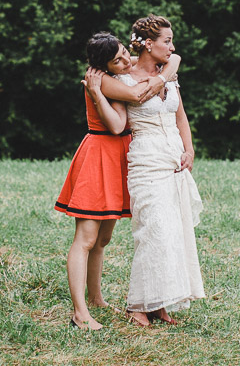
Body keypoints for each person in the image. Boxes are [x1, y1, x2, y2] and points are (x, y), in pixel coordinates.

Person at [55, 32, 181, 330]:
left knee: (103, 239)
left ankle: (96, 298)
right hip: (100, 155)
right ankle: (80, 312)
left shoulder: (121, 69)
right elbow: (119, 122)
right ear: (103, 66)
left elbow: (171, 59)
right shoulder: (105, 81)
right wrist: (98, 94)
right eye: (118, 59)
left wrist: (172, 59)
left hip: (118, 157)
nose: (126, 61)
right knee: (85, 239)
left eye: (126, 53)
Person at [117, 15, 204, 327]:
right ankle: (137, 304)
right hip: (145, 158)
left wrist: (189, 149)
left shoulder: (169, 73)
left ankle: (159, 303)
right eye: (167, 41)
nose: (172, 46)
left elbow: (180, 116)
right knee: (153, 230)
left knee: (174, 233)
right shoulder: (125, 78)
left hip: (173, 160)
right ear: (148, 44)